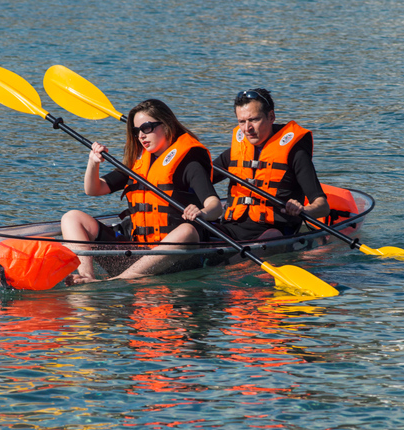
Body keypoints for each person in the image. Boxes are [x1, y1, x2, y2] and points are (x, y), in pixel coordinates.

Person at [61, 99, 222, 284]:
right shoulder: (138, 163)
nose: (141, 136)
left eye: (146, 128)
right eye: (136, 131)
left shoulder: (189, 160)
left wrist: (201, 212)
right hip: (136, 251)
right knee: (71, 217)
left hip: (175, 257)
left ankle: (117, 281)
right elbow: (93, 189)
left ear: (167, 124)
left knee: (187, 231)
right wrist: (93, 163)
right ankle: (87, 277)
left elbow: (215, 206)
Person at [213, 88, 330, 240]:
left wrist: (304, 210)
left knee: (269, 239)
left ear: (271, 116)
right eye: (242, 122)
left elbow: (322, 205)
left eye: (254, 120)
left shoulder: (294, 153)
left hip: (273, 232)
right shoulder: (237, 150)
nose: (247, 129)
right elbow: (201, 179)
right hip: (231, 229)